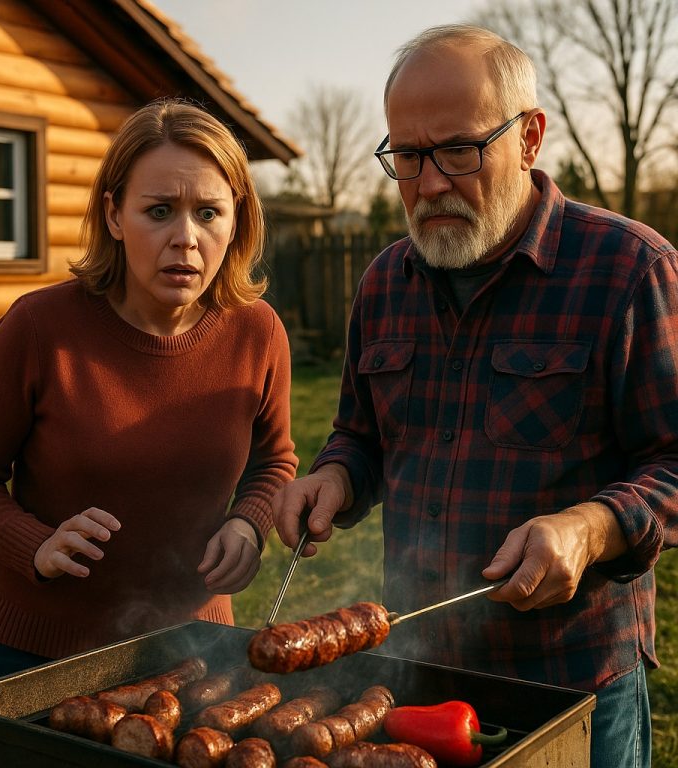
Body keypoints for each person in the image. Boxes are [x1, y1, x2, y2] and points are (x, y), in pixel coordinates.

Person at [272, 25, 677, 768]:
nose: (428, 184)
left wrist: (589, 527)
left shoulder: (629, 270)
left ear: (529, 138)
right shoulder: (384, 284)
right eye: (406, 157)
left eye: (458, 151)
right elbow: (360, 435)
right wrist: (335, 476)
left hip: (572, 682)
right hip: (417, 676)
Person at [0, 99, 297, 683]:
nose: (185, 238)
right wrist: (36, 545)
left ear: (237, 221)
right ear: (113, 215)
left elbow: (275, 459)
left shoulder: (259, 333)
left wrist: (248, 524)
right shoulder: (37, 328)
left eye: (209, 212)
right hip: (37, 652)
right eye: (158, 211)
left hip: (195, 648)